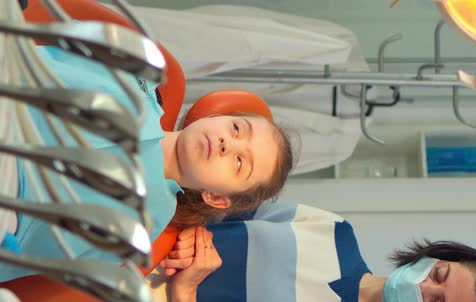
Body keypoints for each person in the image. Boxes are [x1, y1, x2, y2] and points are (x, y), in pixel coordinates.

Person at [0, 45, 294, 283]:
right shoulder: (134, 76)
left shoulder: (146, 220)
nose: (227, 144)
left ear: (216, 197)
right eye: (236, 129)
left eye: (240, 163)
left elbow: (45, 245)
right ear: (214, 118)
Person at [157, 201, 476, 302]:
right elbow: (217, 205)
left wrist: (185, 293)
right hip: (131, 239)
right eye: (439, 274)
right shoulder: (335, 231)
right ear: (440, 256)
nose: (423, 287)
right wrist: (189, 229)